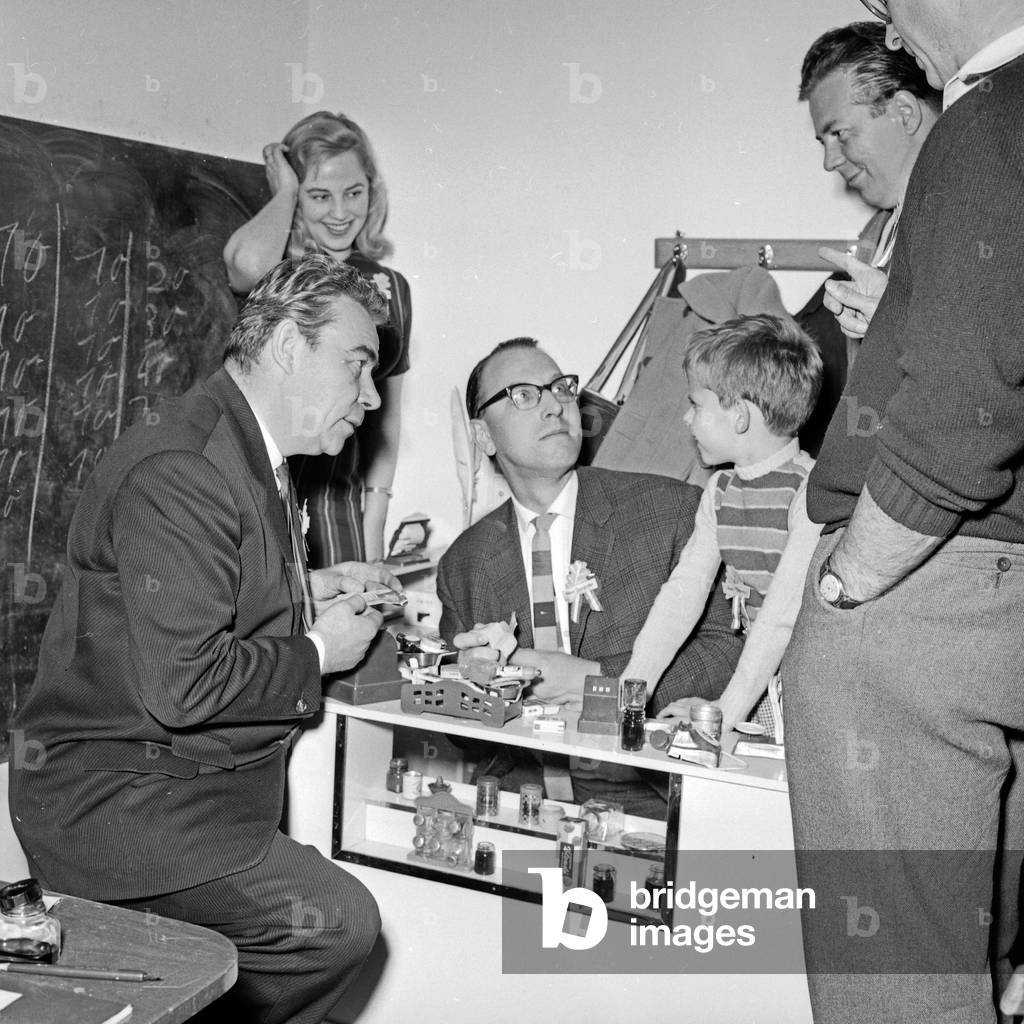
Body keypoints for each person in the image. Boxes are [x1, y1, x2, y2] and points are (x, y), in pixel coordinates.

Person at [9, 254, 402, 1024]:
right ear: (290, 347)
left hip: (186, 794)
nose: (372, 394)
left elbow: (193, 599)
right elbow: (185, 683)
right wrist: (321, 651)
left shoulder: (246, 448)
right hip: (122, 805)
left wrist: (306, 594)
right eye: (357, 364)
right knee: (335, 924)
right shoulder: (186, 467)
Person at [783, 1, 1024, 1021]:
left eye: (843, 130)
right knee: (972, 956)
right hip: (988, 590)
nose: (891, 22)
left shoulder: (985, 123)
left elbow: (966, 408)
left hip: (925, 587)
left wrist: (847, 583)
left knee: (894, 988)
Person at [436, 337, 743, 812]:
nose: (555, 407)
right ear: (482, 437)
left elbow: (726, 647)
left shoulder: (671, 511)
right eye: (524, 394)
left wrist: (598, 681)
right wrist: (475, 683)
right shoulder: (463, 563)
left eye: (561, 388)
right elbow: (462, 734)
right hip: (520, 807)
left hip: (651, 799)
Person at [620, 314, 822, 742]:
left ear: (741, 416)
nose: (686, 419)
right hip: (765, 677)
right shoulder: (720, 490)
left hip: (820, 679)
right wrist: (631, 692)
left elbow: (781, 619)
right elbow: (682, 593)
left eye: (696, 404)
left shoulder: (810, 492)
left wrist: (723, 715)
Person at [224, 110, 411, 565]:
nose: (342, 212)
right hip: (259, 486)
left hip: (339, 502)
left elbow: (386, 418)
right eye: (319, 195)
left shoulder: (390, 286)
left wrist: (375, 524)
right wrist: (285, 190)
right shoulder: (278, 269)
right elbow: (245, 265)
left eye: (354, 192)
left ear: (372, 189)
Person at [795, 21, 940, 454]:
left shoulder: (982, 207)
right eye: (823, 141)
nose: (828, 161)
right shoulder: (881, 233)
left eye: (839, 134)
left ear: (904, 113)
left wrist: (897, 325)